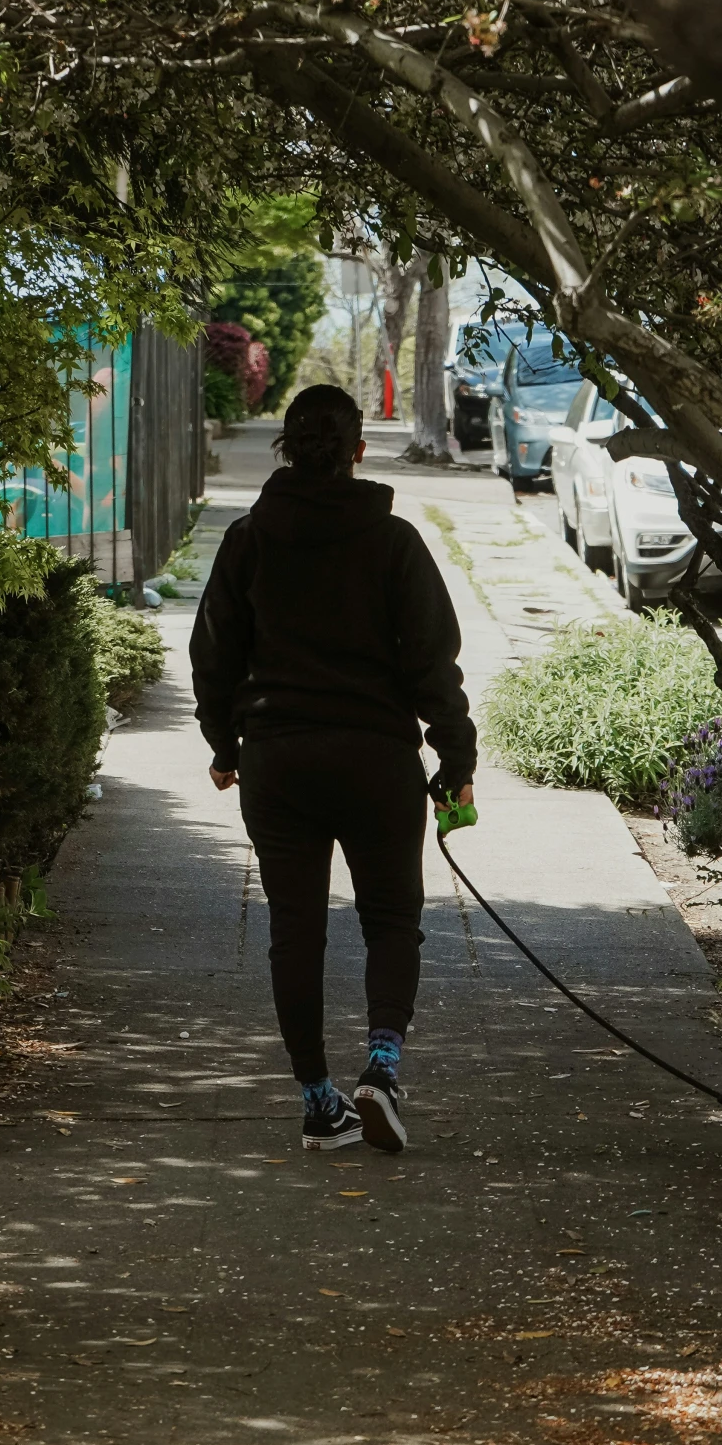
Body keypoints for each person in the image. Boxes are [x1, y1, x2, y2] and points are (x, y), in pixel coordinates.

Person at [190, 384, 476, 1154]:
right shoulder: (393, 543)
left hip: (279, 762)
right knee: (391, 921)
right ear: (358, 450)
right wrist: (456, 759)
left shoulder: (249, 539)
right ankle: (380, 1070)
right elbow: (432, 664)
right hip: (376, 760)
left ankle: (319, 1103)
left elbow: (212, 652)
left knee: (296, 930)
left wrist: (224, 744)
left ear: (286, 448)